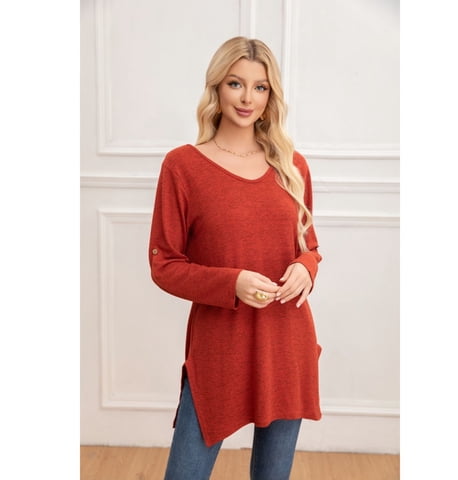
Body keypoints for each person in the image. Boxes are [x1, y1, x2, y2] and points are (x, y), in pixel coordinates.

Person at [149, 36, 322, 480]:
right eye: (235, 83)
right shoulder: (183, 166)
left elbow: (309, 247)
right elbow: (164, 265)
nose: (247, 98)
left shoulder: (292, 165)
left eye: (260, 87)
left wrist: (305, 268)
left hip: (286, 341)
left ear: (270, 95)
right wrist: (233, 283)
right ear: (216, 87)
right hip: (220, 345)